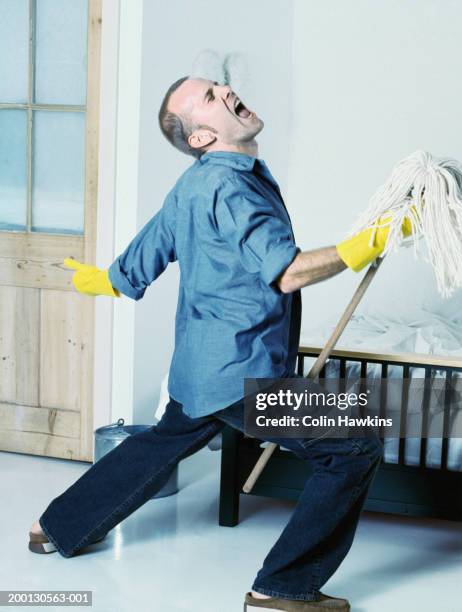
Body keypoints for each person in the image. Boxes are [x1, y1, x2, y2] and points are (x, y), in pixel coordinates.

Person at [29, 77, 409, 611]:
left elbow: (145, 255)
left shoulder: (195, 183)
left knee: (160, 443)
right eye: (210, 96)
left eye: (218, 85)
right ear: (203, 137)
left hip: (198, 367)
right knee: (355, 443)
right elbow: (288, 273)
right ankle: (283, 587)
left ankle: (55, 525)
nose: (226, 89)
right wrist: (366, 243)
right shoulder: (228, 187)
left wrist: (103, 279)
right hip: (240, 373)